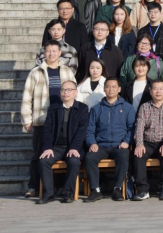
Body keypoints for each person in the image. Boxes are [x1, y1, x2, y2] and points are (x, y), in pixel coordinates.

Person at [21, 41, 77, 198]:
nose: (51, 53)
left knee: (57, 154)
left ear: (59, 53)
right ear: (44, 53)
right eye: (48, 51)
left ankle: (58, 187)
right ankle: (33, 186)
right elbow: (27, 96)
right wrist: (27, 119)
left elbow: (73, 93)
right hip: (41, 119)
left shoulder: (66, 71)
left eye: (54, 51)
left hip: (62, 120)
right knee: (38, 154)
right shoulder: (36, 72)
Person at [36, 81, 88, 204]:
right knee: (44, 161)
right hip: (56, 147)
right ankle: (48, 194)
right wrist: (48, 147)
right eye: (63, 90)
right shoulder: (54, 108)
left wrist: (74, 147)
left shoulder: (82, 108)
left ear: (76, 92)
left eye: (69, 90)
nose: (66, 92)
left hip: (74, 147)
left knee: (74, 161)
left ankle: (67, 193)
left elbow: (82, 131)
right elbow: (47, 129)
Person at [84, 78, 136, 202]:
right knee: (89, 157)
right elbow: (89, 129)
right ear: (104, 89)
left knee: (123, 156)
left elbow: (132, 128)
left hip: (119, 144)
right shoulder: (96, 109)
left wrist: (126, 142)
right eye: (108, 86)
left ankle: (117, 189)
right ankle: (96, 190)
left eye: (114, 87)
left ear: (119, 89)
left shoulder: (127, 107)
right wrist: (92, 143)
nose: (110, 89)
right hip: (101, 145)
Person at [131, 80, 163, 203]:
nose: (158, 91)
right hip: (147, 141)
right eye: (155, 89)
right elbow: (139, 127)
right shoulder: (144, 107)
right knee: (138, 154)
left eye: (161, 89)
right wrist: (139, 144)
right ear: (151, 91)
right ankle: (142, 189)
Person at [137, 1, 163, 67]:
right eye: (150, 12)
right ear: (147, 14)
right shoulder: (142, 31)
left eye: (155, 12)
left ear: (160, 13)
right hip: (145, 65)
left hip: (162, 65)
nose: (153, 14)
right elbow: (138, 50)